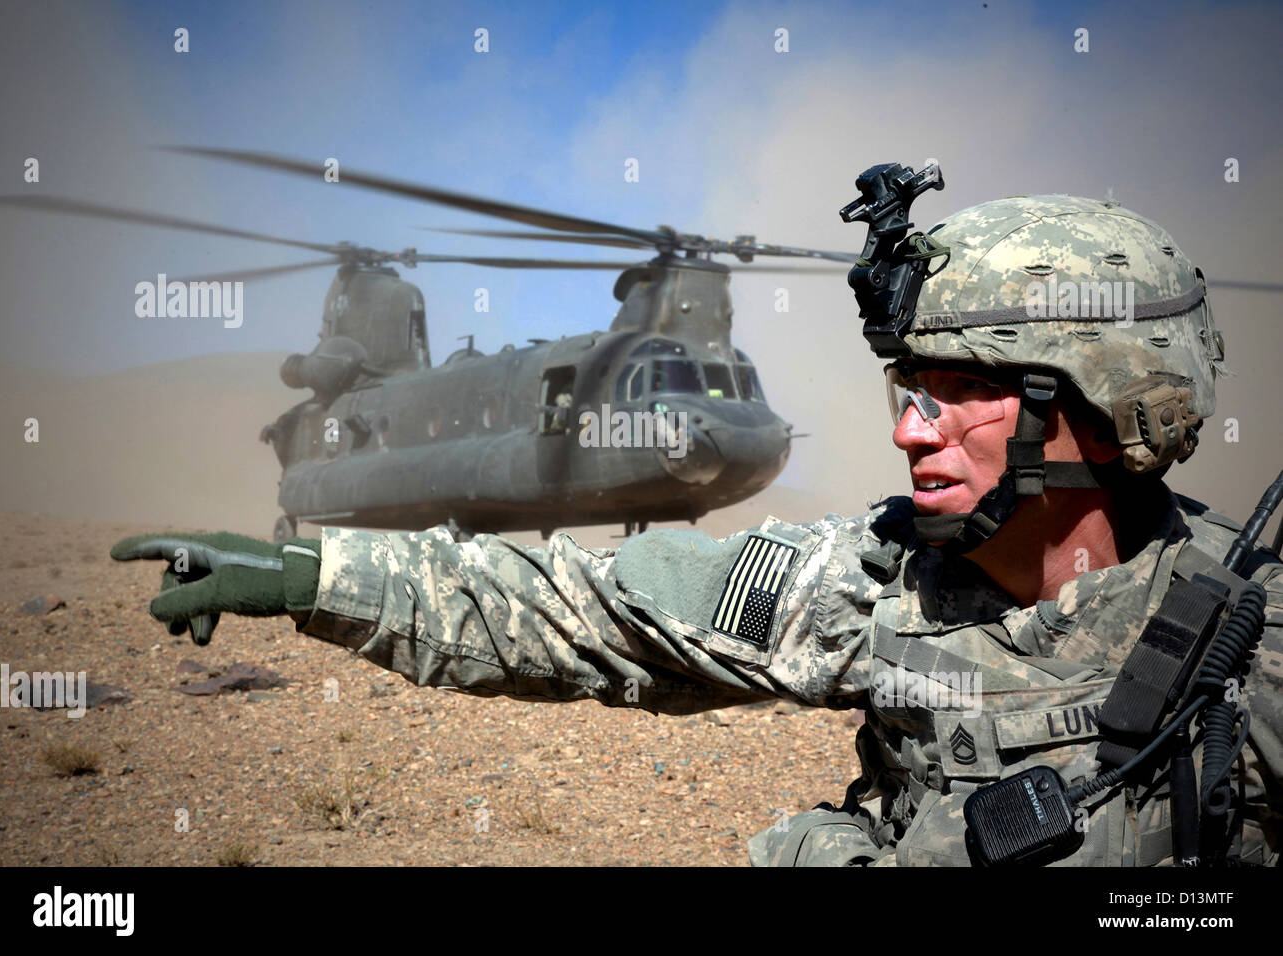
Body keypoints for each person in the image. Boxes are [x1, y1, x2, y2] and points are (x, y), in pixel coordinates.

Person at [112, 193, 1282, 866]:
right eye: (904, 388)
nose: (911, 432)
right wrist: (311, 571)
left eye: (962, 390)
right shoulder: (866, 584)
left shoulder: (1256, 639)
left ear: (1100, 402)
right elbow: (578, 609)